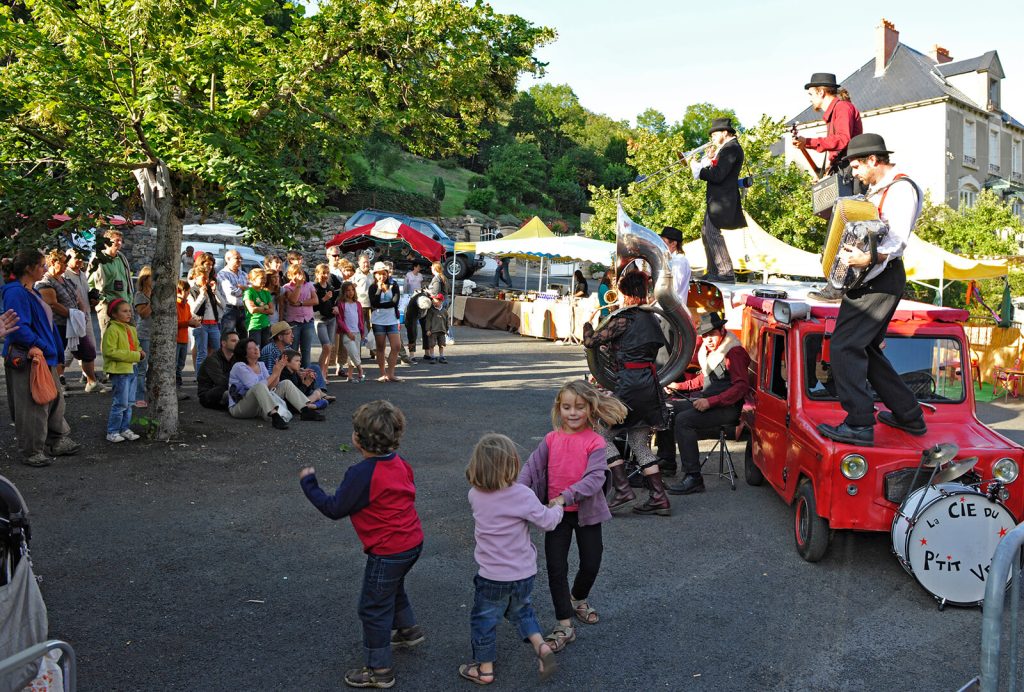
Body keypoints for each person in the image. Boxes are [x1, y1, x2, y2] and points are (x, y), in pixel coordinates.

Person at [298, 400, 424, 689]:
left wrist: (310, 485)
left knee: (373, 607)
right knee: (392, 586)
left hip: (388, 550)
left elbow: (334, 508)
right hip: (412, 542)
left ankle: (379, 670)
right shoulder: (400, 463)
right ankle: (408, 629)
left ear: (358, 439)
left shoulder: (362, 474)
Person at [817, 133, 927, 446]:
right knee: (863, 347)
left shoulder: (901, 189)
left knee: (843, 346)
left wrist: (868, 256)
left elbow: (896, 241)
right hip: (877, 277)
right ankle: (909, 415)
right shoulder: (878, 189)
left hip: (880, 276)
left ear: (873, 161)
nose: (853, 172)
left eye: (856, 166)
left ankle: (859, 423)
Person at [518, 380, 626, 654]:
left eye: (579, 407)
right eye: (567, 407)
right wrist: (517, 493)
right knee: (556, 568)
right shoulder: (551, 439)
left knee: (591, 562)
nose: (573, 413)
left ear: (590, 409)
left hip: (586, 512)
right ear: (559, 409)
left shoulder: (596, 442)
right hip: (555, 516)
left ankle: (578, 598)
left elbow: (594, 479)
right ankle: (563, 623)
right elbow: (531, 468)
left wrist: (566, 495)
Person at [461, 433, 562, 685]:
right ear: (513, 463)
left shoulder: (475, 494)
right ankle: (541, 646)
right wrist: (557, 506)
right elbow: (548, 523)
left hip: (492, 576)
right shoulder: (523, 495)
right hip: (523, 573)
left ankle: (484, 669)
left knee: (484, 619)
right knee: (522, 611)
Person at [582, 271, 671, 516]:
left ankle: (622, 489)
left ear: (625, 292)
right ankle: (659, 498)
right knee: (639, 443)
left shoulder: (625, 318)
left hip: (629, 385)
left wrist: (587, 324)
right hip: (649, 386)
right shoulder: (652, 318)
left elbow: (591, 342)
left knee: (600, 435)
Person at [2, 250, 80, 466]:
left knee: (53, 398)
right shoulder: (16, 292)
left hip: (43, 356)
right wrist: (44, 346)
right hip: (29, 356)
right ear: (29, 268)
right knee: (32, 404)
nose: (45, 269)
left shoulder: (29, 290)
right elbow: (17, 327)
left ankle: (55, 440)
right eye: (41, 265)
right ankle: (32, 449)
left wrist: (50, 350)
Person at [664, 312, 751, 495]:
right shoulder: (712, 350)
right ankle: (667, 462)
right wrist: (679, 386)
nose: (708, 340)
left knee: (684, 421)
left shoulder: (734, 352)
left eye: (712, 334)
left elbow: (741, 387)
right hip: (710, 401)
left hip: (728, 408)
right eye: (705, 336)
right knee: (669, 410)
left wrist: (710, 402)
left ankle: (694, 477)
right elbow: (705, 378)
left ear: (722, 330)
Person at [690, 117, 745, 282]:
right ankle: (714, 270)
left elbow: (718, 175)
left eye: (715, 134)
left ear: (725, 132)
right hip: (718, 199)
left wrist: (698, 169)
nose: (712, 138)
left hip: (723, 199)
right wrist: (710, 160)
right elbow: (719, 170)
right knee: (706, 232)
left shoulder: (731, 148)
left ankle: (726, 272)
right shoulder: (726, 148)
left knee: (713, 233)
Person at [228, 338, 325, 428]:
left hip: (260, 404)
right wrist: (275, 374)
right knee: (259, 386)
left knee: (286, 383)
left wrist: (278, 371)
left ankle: (305, 410)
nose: (256, 349)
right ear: (244, 353)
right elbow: (256, 387)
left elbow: (270, 387)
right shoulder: (239, 366)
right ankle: (275, 416)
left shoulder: (261, 365)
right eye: (251, 348)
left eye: (256, 346)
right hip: (240, 407)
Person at [791, 73, 863, 177]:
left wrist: (808, 142)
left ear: (821, 92)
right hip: (844, 170)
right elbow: (838, 149)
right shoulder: (835, 111)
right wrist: (828, 171)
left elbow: (842, 140)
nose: (810, 99)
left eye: (811, 94)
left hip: (851, 171)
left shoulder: (842, 107)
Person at [101, 298, 144, 443]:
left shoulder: (131, 328)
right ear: (114, 314)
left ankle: (124, 428)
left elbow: (136, 345)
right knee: (120, 403)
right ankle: (112, 431)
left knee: (130, 402)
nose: (129, 314)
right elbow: (110, 352)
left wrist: (139, 352)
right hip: (120, 372)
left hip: (132, 369)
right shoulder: (112, 329)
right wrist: (135, 355)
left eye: (129, 311)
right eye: (124, 311)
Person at [63, 251, 106, 392]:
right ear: (68, 259)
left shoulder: (82, 274)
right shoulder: (65, 275)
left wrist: (92, 300)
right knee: (70, 350)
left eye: (82, 258)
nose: (80, 260)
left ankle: (90, 380)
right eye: (77, 258)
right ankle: (58, 379)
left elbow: (84, 295)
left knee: (89, 349)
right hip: (73, 317)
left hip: (85, 315)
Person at [34, 250, 77, 384]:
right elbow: (52, 304)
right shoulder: (46, 281)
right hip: (55, 323)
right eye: (63, 262)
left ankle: (56, 380)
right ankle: (52, 382)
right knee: (55, 353)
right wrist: (74, 315)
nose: (66, 265)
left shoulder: (65, 278)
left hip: (67, 323)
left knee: (62, 352)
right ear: (53, 262)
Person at [89, 228, 135, 334]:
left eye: (120, 240)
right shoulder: (98, 259)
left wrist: (129, 299)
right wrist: (103, 299)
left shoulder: (122, 258)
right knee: (109, 339)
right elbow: (90, 284)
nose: (119, 243)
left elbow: (127, 281)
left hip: (125, 304)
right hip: (108, 305)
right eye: (116, 240)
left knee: (128, 339)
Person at [368, 262, 403, 382]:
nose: (382, 276)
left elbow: (395, 302)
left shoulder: (394, 285)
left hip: (392, 319)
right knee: (380, 347)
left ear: (387, 274)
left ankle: (391, 373)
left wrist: (381, 305)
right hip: (378, 320)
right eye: (379, 274)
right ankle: (382, 373)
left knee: (396, 346)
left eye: (384, 274)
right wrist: (379, 288)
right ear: (375, 275)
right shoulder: (373, 287)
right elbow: (374, 302)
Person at [188, 264, 222, 372]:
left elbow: (223, 304)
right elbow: (193, 309)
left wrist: (215, 292)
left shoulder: (210, 289)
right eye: (203, 278)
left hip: (213, 324)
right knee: (202, 353)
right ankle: (201, 378)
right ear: (196, 278)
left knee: (217, 352)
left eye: (207, 277)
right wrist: (202, 295)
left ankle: (214, 376)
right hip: (200, 324)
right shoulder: (192, 291)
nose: (206, 280)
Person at [283, 263, 318, 368]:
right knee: (293, 349)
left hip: (307, 321)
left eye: (301, 273)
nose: (299, 276)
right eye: (296, 274)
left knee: (306, 350)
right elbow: (293, 300)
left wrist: (301, 303)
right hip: (293, 322)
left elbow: (315, 300)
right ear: (290, 275)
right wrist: (298, 285)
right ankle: (293, 373)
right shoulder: (287, 287)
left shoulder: (309, 285)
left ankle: (307, 373)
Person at [197, 331, 240, 410]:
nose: (237, 343)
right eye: (233, 341)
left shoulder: (236, 358)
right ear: (224, 343)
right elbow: (222, 382)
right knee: (225, 388)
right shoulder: (212, 359)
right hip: (209, 394)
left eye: (238, 341)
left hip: (228, 389)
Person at [312, 263, 341, 377]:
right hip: (320, 320)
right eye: (323, 273)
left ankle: (324, 373)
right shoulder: (315, 287)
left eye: (327, 273)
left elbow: (335, 301)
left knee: (329, 347)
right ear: (317, 274)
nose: (325, 275)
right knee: (326, 346)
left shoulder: (330, 287)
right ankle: (319, 373)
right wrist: (324, 298)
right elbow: (314, 307)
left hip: (331, 319)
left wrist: (336, 307)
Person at [335, 281, 366, 383]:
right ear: (344, 292)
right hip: (347, 333)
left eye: (352, 290)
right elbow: (340, 320)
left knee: (354, 354)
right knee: (353, 352)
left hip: (357, 332)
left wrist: (362, 332)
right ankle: (360, 370)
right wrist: (348, 332)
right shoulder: (341, 304)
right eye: (348, 290)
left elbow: (361, 319)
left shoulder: (357, 304)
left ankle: (350, 376)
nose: (351, 292)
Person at [132, 266, 153, 408]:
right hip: (144, 334)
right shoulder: (140, 295)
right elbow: (143, 314)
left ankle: (151, 393)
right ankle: (138, 397)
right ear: (145, 280)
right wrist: (153, 301)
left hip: (155, 334)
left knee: (153, 367)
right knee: (141, 367)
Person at [217, 249, 249, 339]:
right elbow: (231, 291)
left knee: (244, 337)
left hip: (243, 309)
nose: (240, 260)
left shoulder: (244, 274)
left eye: (241, 258)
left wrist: (243, 288)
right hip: (229, 309)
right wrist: (244, 289)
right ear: (228, 259)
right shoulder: (223, 274)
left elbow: (252, 289)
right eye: (237, 258)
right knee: (227, 336)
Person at [175, 279, 199, 387]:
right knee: (174, 364)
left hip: (184, 339)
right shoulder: (175, 304)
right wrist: (188, 322)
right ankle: (175, 383)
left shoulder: (187, 305)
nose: (188, 295)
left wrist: (195, 322)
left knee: (181, 363)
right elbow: (173, 323)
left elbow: (189, 319)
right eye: (187, 292)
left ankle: (178, 383)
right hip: (176, 339)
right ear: (180, 292)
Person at [659, 226, 693, 303]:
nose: (660, 244)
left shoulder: (679, 261)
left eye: (663, 241)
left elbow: (673, 288)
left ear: (674, 244)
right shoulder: (673, 260)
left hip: (671, 310)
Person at [243, 267, 274, 348]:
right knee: (255, 349)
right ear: (253, 279)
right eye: (262, 278)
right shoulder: (249, 292)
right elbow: (252, 310)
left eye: (265, 278)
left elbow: (272, 311)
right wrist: (265, 307)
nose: (264, 280)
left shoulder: (266, 293)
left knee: (265, 349)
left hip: (266, 325)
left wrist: (259, 309)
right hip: (254, 325)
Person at [353, 253, 373, 358]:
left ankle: (373, 351)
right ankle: (357, 354)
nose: (366, 264)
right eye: (364, 262)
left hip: (371, 306)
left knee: (372, 329)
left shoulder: (373, 274)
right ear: (359, 263)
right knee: (359, 330)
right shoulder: (355, 276)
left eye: (368, 262)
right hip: (359, 306)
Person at [422, 293, 449, 364]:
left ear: (441, 301)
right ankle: (432, 356)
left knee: (442, 344)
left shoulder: (444, 311)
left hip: (442, 331)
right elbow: (428, 320)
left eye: (435, 300)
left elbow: (447, 321)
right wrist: (428, 329)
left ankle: (441, 356)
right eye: (433, 301)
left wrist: (446, 330)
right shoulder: (431, 310)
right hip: (433, 331)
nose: (433, 302)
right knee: (432, 344)